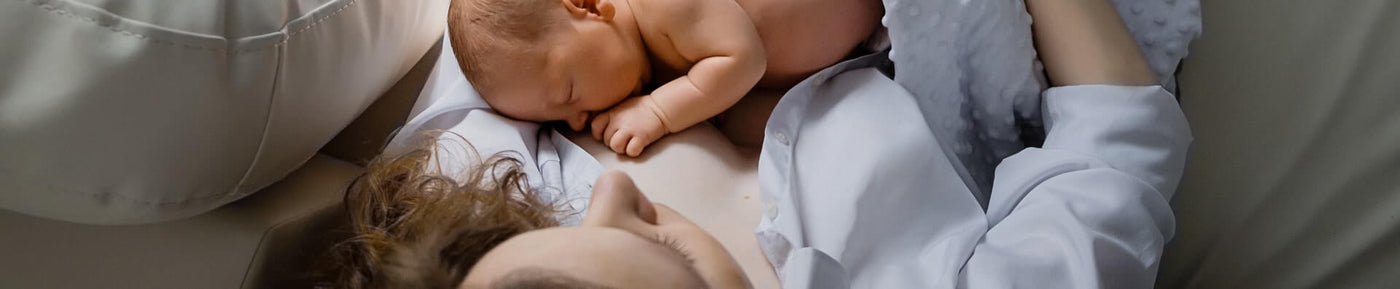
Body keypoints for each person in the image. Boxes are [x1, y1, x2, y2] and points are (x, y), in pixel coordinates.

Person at [317, 0, 1191, 288]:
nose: (612, 193)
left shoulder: (477, 185)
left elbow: (497, 45)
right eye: (670, 253)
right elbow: (1114, 150)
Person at [444, 0, 882, 156]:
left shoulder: (662, 6)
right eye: (559, 121)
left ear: (589, 6)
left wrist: (660, 111)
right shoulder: (649, 63)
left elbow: (744, 60)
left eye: (569, 93)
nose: (578, 122)